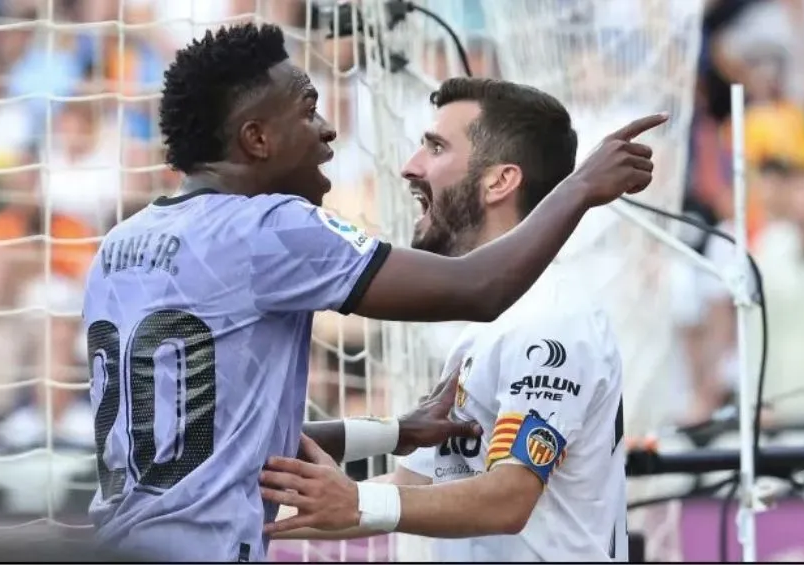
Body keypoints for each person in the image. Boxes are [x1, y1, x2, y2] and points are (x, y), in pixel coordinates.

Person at [84, 23, 664, 562]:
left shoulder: (121, 244)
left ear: (500, 179)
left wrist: (390, 436)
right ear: (256, 138)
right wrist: (581, 188)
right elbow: (481, 288)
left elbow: (218, 437)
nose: (330, 128)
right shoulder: (270, 228)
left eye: (435, 147)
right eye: (309, 109)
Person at [259, 77, 629, 561]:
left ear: (500, 181)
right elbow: (415, 485)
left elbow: (508, 499)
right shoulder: (487, 330)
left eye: (435, 147)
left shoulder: (550, 318)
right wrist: (232, 522)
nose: (411, 167)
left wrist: (355, 501)